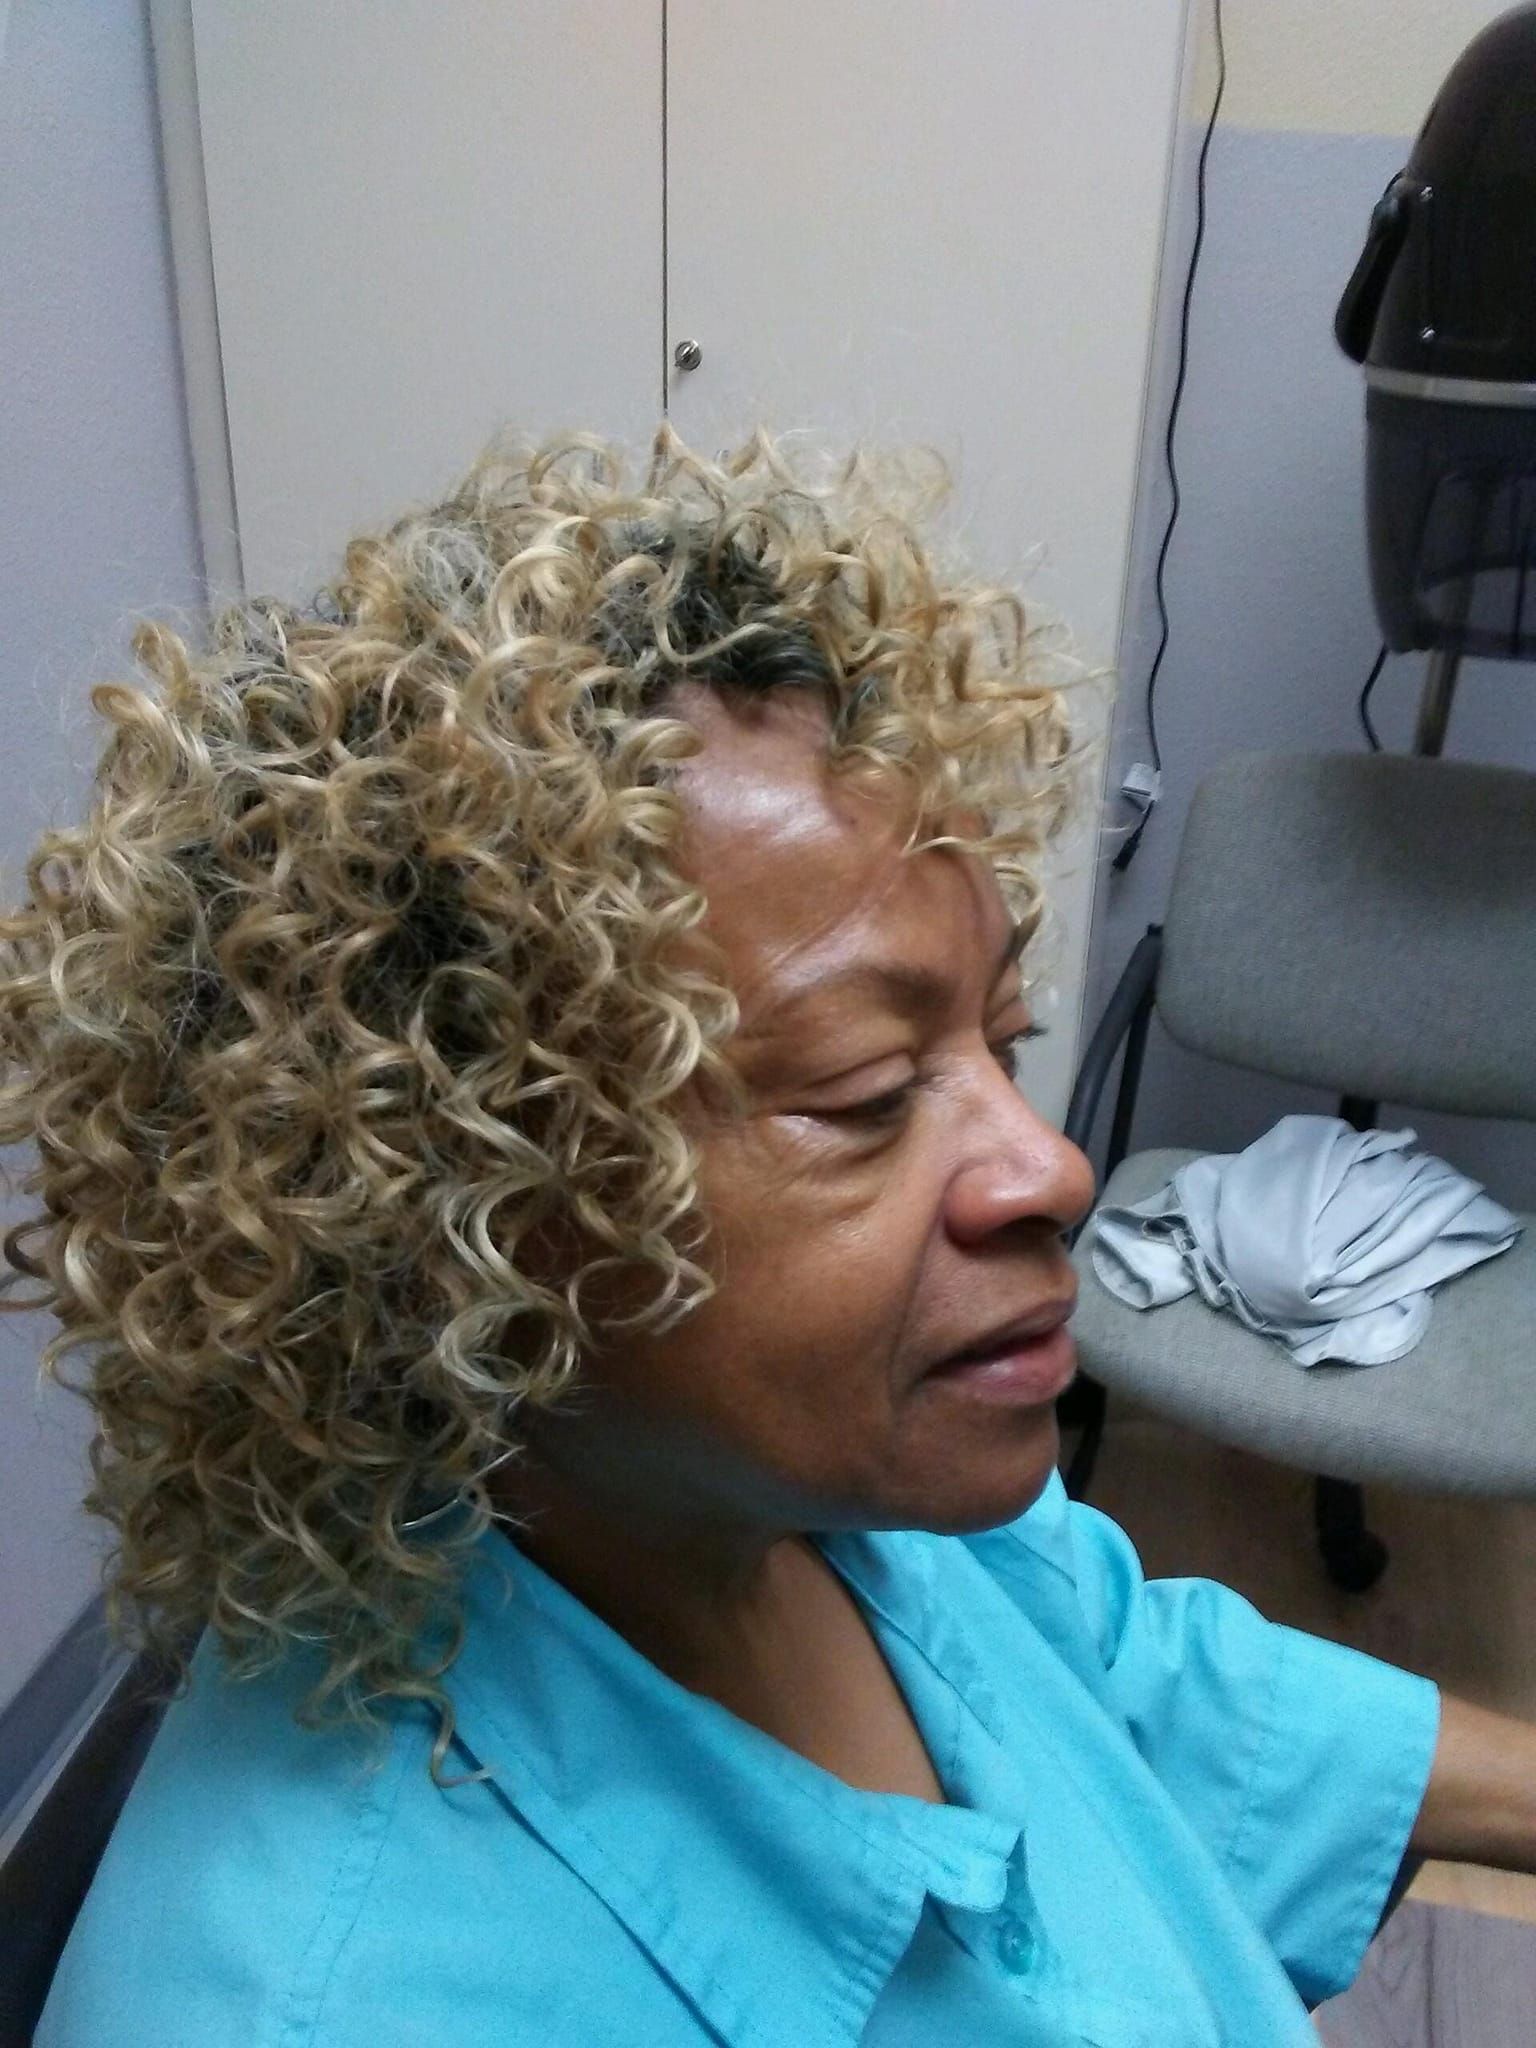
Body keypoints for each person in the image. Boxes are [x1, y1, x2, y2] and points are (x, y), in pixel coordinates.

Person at [7, 428, 1534, 2046]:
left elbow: (1116, 1668)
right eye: (869, 1092)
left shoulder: (824, 1483)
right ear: (460, 1216)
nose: (1053, 1170)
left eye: (1001, 1045)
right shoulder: (318, 2008)